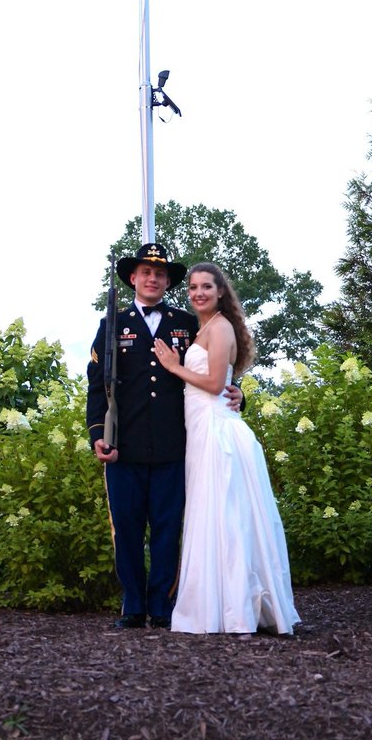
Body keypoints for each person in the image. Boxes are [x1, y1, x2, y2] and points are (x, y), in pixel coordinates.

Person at [86, 242, 241, 630]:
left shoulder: (188, 324)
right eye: (145, 272)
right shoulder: (112, 325)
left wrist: (238, 393)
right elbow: (97, 386)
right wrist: (98, 435)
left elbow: (216, 368)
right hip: (125, 446)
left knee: (168, 530)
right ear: (133, 278)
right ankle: (133, 605)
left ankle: (162, 605)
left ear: (168, 282)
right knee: (127, 529)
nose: (152, 279)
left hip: (175, 446)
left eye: (160, 274)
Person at [153, 261, 300, 634]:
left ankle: (235, 610)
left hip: (217, 431)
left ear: (220, 292)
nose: (198, 293)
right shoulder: (203, 328)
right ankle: (217, 606)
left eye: (206, 286)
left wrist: (173, 366)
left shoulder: (219, 328)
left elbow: (217, 384)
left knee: (225, 517)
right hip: (201, 429)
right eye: (192, 287)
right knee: (212, 515)